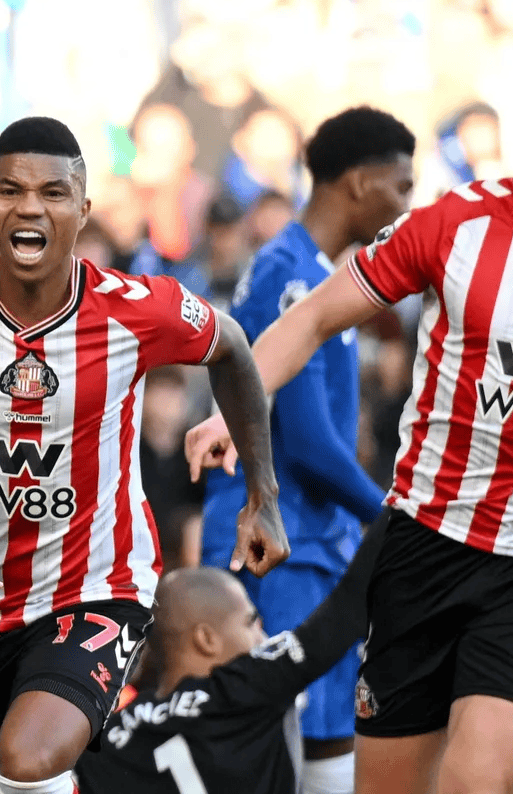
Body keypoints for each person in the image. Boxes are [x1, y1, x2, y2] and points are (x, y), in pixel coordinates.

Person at [185, 34, 513, 794]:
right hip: (423, 546)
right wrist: (230, 414)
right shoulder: (453, 223)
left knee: (473, 784)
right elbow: (312, 317)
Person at [0, 116, 288, 794]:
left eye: (52, 192)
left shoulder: (135, 309)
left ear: (84, 208)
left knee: (29, 757)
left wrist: (262, 494)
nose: (30, 207)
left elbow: (233, 348)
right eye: (10, 190)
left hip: (97, 587)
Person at [198, 105, 415, 794]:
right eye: (401, 187)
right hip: (281, 544)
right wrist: (394, 519)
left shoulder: (315, 274)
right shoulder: (293, 277)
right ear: (359, 182)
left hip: (311, 540)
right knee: (282, 743)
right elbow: (312, 445)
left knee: (325, 736)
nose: (406, 205)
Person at [74, 523, 385, 794]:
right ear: (206, 639)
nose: (263, 638)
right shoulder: (245, 688)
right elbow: (348, 607)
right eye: (252, 623)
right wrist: (401, 499)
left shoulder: (107, 741)